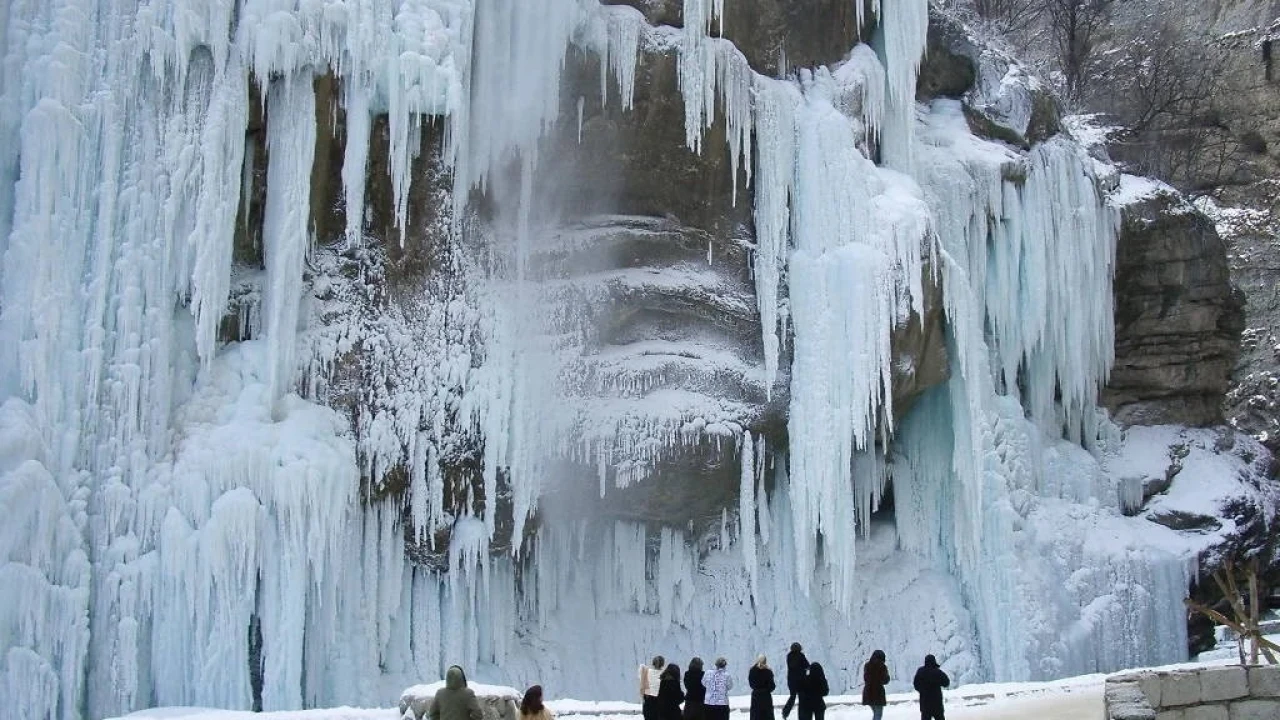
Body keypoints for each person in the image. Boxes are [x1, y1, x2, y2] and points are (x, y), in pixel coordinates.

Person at [912, 655, 950, 720]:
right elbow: (946, 683)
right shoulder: (937, 672)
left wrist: (922, 690)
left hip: (925, 704)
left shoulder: (920, 671)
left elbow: (916, 685)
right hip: (937, 704)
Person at [780, 643, 809, 719]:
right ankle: (801, 717)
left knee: (792, 697)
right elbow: (807, 666)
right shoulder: (801, 656)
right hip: (801, 681)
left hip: (791, 681)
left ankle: (785, 712)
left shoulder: (789, 656)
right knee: (802, 700)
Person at [861, 650, 890, 720]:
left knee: (876, 713)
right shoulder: (882, 667)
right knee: (878, 714)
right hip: (878, 693)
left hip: (868, 692)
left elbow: (866, 678)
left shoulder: (867, 665)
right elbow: (885, 680)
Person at [748, 655, 776, 720]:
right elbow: (772, 686)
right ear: (765, 661)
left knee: (756, 716)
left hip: (756, 696)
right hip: (766, 697)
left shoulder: (752, 670)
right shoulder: (768, 671)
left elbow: (751, 684)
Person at [640, 656, 665, 720]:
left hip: (648, 704)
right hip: (660, 705)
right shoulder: (664, 674)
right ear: (662, 664)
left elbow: (643, 689)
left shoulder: (647, 672)